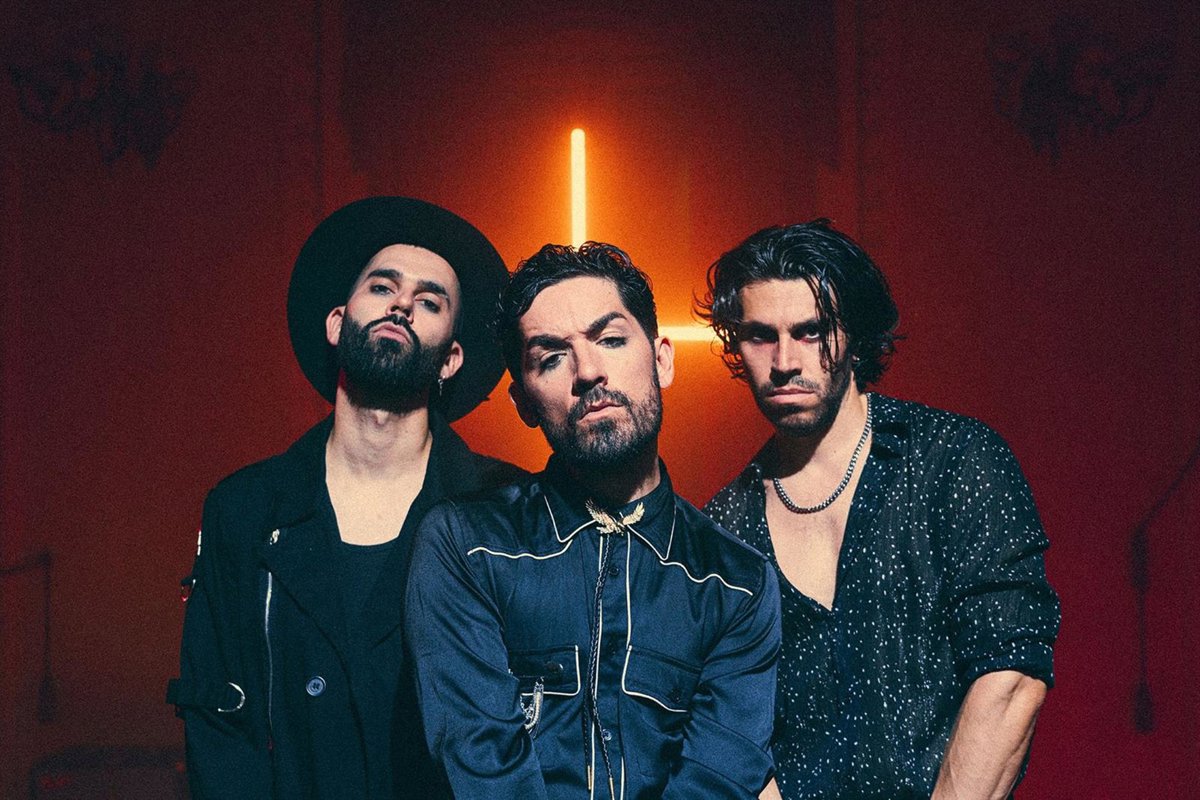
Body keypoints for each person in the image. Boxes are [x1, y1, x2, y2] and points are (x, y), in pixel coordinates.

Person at [167, 197, 523, 799]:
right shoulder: (244, 510)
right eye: (382, 287)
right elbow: (219, 733)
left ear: (451, 359)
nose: (401, 304)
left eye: (430, 301)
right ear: (337, 324)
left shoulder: (506, 511)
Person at [697, 221, 1060, 800]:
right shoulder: (723, 529)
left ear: (856, 337)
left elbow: (1011, 676)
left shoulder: (955, 460)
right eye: (761, 336)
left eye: (811, 331)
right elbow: (733, 739)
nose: (785, 360)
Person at [404, 242, 781, 799]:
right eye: (551, 358)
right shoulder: (467, 547)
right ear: (523, 403)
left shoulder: (736, 584)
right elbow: (484, 766)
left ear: (662, 359)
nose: (589, 372)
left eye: (610, 339)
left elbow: (716, 782)